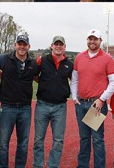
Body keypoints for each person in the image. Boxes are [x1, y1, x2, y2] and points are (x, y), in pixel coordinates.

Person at [70, 29, 114, 168]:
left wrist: (102, 99)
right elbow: (74, 79)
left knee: (97, 140)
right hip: (81, 103)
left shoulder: (107, 58)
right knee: (84, 139)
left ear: (100, 41)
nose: (92, 41)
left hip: (96, 105)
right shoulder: (79, 57)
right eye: (90, 39)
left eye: (95, 39)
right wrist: (74, 97)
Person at [0, 33, 39, 168]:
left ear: (28, 46)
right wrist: (2, 76)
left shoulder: (33, 63)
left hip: (25, 108)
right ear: (15, 45)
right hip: (7, 107)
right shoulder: (3, 59)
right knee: (3, 143)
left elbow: (38, 78)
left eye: (24, 44)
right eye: (19, 44)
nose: (22, 47)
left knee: (23, 143)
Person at [33, 36, 73, 168]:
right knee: (38, 140)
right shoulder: (42, 61)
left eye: (61, 44)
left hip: (60, 107)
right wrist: (44, 84)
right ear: (51, 46)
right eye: (56, 44)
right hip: (42, 105)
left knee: (58, 141)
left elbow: (74, 81)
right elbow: (34, 75)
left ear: (64, 47)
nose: (58, 46)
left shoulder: (69, 64)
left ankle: (53, 165)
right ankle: (38, 165)